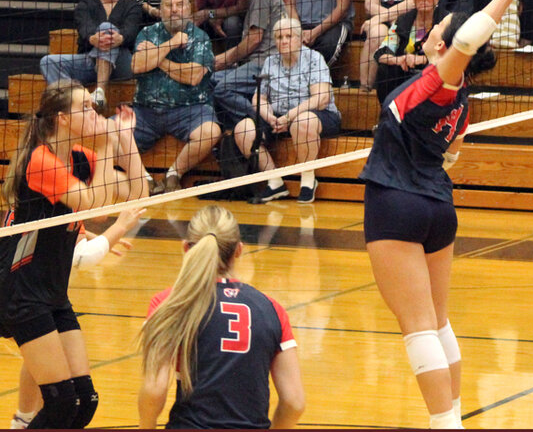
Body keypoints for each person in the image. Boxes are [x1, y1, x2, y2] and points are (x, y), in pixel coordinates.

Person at [359, 0, 533, 429]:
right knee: (438, 322)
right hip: (437, 203)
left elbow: (469, 36)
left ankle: (445, 424)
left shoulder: (439, 82)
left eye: (439, 25)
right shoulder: (460, 102)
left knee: (418, 327)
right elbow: (452, 153)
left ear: (444, 42)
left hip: (395, 201)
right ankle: (452, 418)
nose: (434, 25)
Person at [0, 79, 147, 429]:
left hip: (52, 292)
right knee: (62, 402)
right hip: (21, 290)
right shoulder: (41, 161)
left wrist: (124, 137)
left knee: (84, 403)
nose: (95, 114)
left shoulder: (80, 159)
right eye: (86, 108)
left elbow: (139, 191)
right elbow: (95, 208)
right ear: (63, 119)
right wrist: (109, 143)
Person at [137, 205, 305, 428]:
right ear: (239, 250)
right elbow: (294, 402)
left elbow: (154, 389)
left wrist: (145, 427)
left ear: (187, 248)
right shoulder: (272, 309)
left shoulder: (169, 303)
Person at [9, 209, 145, 429]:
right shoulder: (51, 190)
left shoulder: (63, 201)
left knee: (82, 401)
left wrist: (92, 236)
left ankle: (24, 419)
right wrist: (119, 227)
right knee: (61, 400)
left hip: (49, 296)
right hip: (22, 296)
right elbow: (82, 256)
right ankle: (24, 419)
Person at [232, 17, 341, 204]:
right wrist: (270, 117)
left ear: (299, 39)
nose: (283, 41)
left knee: (302, 122)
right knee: (243, 129)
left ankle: (308, 180)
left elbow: (321, 99)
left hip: (317, 116)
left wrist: (289, 117)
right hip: (279, 117)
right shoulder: (271, 62)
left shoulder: (314, 59)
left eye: (289, 36)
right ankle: (274, 182)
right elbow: (259, 98)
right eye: (279, 37)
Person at [131, 0, 222, 195]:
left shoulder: (200, 37)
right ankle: (144, 179)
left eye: (180, 5)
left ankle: (173, 175)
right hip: (145, 111)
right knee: (109, 132)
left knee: (211, 132)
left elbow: (193, 76)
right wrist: (171, 44)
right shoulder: (147, 33)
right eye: (169, 5)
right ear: (160, 9)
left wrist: (156, 59)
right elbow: (137, 66)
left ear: (188, 9)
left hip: (189, 110)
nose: (174, 10)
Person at [39, 0, 143, 110]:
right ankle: (76, 101)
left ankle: (99, 92)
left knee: (106, 28)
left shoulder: (132, 5)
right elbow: (84, 27)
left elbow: (131, 29)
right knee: (47, 62)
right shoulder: (85, 5)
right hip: (91, 62)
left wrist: (122, 38)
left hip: (122, 63)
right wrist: (92, 38)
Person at [211, 0, 286, 130]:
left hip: (265, 64)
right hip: (255, 64)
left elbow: (254, 39)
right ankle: (230, 129)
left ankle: (262, 125)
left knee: (223, 89)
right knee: (211, 81)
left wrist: (225, 59)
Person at [359, 0, 425, 92]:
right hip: (384, 22)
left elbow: (412, 2)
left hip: (408, 21)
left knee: (383, 28)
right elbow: (370, 5)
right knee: (376, 34)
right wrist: (388, 18)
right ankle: (365, 89)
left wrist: (382, 17)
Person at [374, 0, 445, 103]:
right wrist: (400, 60)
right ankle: (390, 112)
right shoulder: (403, 21)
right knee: (385, 70)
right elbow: (381, 53)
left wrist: (422, 59)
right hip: (404, 74)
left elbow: (450, 55)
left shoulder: (445, 21)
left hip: (432, 74)